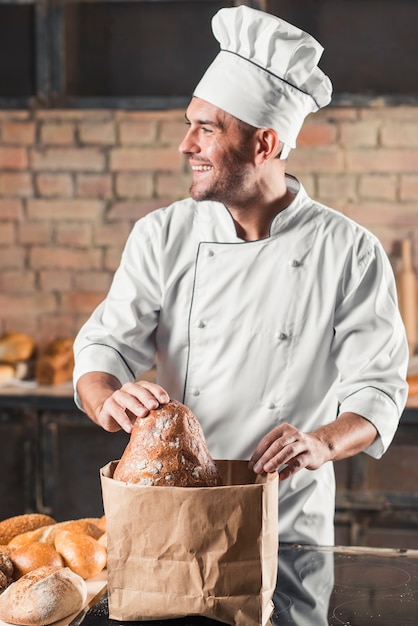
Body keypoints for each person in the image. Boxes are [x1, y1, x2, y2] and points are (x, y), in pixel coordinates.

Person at [73, 6, 409, 545]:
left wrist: (321, 442)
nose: (187, 145)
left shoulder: (349, 250)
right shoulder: (163, 234)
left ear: (265, 145)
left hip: (288, 524)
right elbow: (104, 347)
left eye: (206, 129)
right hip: (175, 516)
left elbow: (378, 389)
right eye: (191, 125)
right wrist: (106, 394)